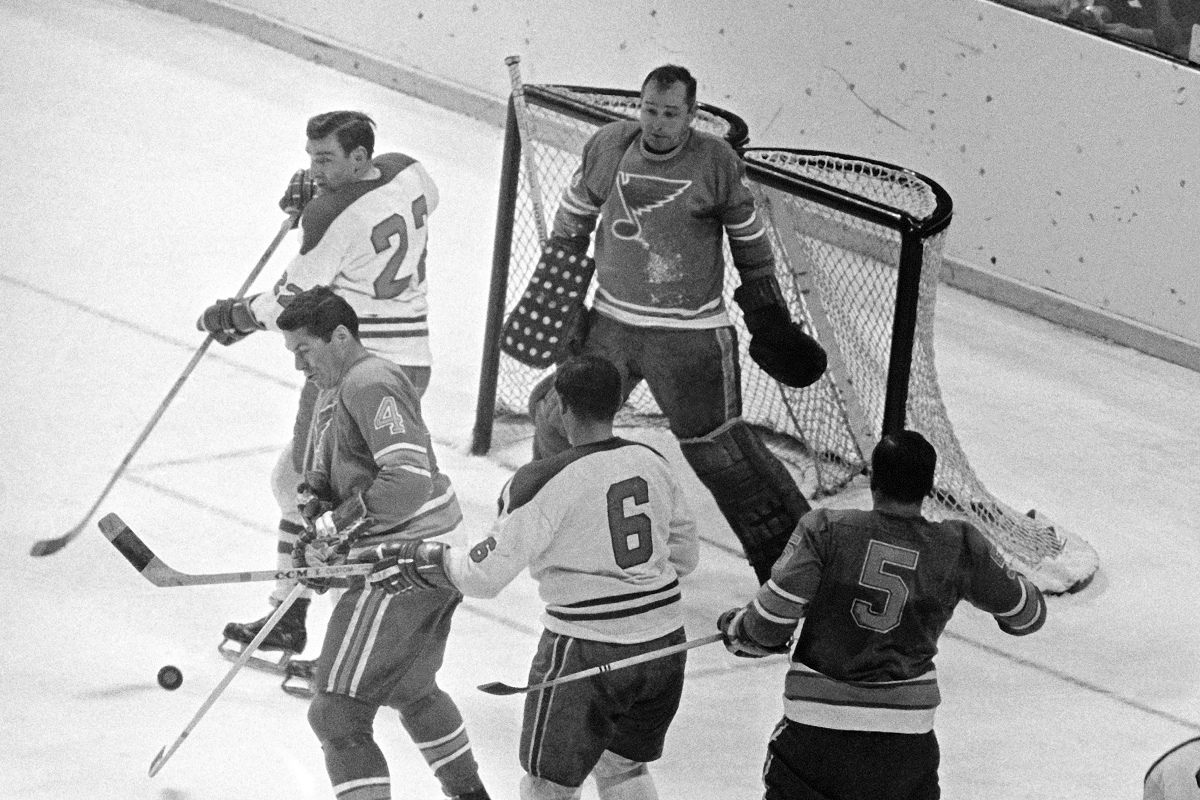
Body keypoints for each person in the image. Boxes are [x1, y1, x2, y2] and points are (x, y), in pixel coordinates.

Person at [527, 64, 827, 586]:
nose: (658, 123)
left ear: (692, 114)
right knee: (559, 419)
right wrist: (561, 293)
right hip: (612, 325)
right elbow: (573, 220)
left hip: (690, 337)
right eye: (650, 110)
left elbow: (750, 243)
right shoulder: (609, 146)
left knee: (723, 456)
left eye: (671, 113)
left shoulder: (715, 162)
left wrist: (766, 313)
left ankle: (798, 572)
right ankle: (550, 533)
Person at [367, 354, 700, 800]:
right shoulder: (651, 460)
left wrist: (426, 556)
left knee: (548, 785)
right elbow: (686, 555)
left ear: (558, 406)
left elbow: (482, 577)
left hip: (586, 650)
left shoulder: (542, 481)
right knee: (624, 768)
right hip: (665, 645)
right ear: (618, 403)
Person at [196, 109, 439, 669]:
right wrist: (326, 191)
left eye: (325, 159)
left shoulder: (332, 215)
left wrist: (237, 313)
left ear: (359, 157)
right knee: (300, 482)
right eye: (311, 158)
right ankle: (296, 610)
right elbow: (383, 210)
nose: (315, 169)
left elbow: (291, 302)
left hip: (350, 366)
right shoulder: (411, 172)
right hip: (411, 361)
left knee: (312, 490)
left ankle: (309, 618)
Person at [717, 430, 1047, 800]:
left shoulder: (825, 529)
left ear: (873, 480)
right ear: (928, 487)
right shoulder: (959, 545)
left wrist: (738, 627)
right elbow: (1028, 616)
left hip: (816, 733)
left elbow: (767, 627)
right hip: (904, 743)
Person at [276, 286, 490, 800]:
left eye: (304, 350)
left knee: (336, 712)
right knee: (412, 690)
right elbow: (334, 477)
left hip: (407, 557)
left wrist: (335, 529)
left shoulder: (370, 381)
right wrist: (316, 518)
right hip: (419, 551)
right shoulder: (340, 383)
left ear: (341, 336)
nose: (299, 365)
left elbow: (408, 478)